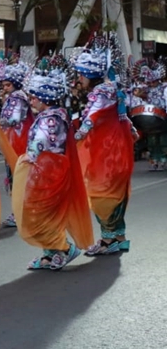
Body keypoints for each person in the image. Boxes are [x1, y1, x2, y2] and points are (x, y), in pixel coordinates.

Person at [13, 68, 93, 270]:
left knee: (41, 213)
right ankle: (49, 253)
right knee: (41, 213)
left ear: (44, 97)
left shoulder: (52, 118)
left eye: (34, 97)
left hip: (50, 172)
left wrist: (31, 154)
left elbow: (41, 141)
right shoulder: (54, 115)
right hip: (45, 170)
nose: (31, 101)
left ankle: (65, 249)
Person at [74, 36, 135, 256]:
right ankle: (118, 238)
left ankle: (110, 240)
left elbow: (93, 114)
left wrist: (79, 134)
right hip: (115, 147)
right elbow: (122, 117)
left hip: (107, 151)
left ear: (90, 74)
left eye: (81, 74)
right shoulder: (112, 88)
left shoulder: (101, 92)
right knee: (113, 192)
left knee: (102, 193)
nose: (79, 79)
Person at [0, 53, 33, 228]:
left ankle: (21, 212)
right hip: (14, 140)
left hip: (18, 140)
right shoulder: (14, 97)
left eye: (8, 85)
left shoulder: (17, 97)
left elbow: (14, 119)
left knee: (19, 176)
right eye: (4, 85)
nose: (6, 88)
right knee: (17, 176)